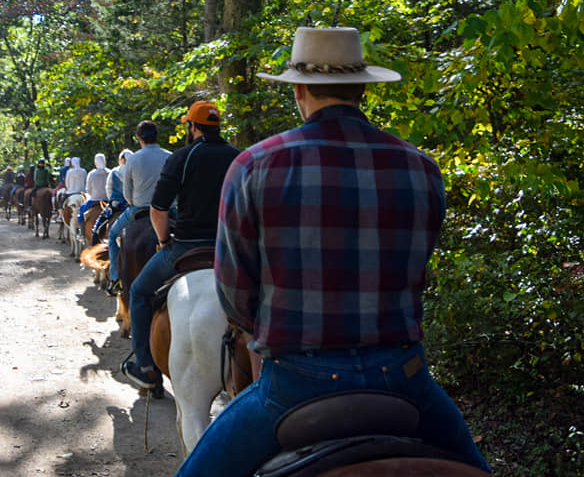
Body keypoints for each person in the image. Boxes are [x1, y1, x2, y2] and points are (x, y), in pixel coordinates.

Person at [176, 27, 491, 476]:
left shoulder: (254, 166)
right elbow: (417, 272)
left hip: (294, 384)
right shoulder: (422, 168)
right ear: (363, 88)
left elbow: (233, 293)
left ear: (299, 89)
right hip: (404, 379)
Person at [121, 101, 240, 389]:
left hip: (186, 246)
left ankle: (146, 367)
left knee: (138, 292)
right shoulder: (239, 157)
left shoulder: (183, 157)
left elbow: (158, 209)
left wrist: (163, 241)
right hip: (230, 251)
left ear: (192, 126)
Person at [106, 121, 171, 295]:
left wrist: (136, 201)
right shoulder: (170, 156)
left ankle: (115, 279)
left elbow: (127, 193)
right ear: (157, 136)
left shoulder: (133, 159)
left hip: (138, 209)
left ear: (139, 139)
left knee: (112, 235)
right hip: (168, 210)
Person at [78, 153, 109, 227]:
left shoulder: (91, 174)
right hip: (108, 200)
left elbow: (88, 189)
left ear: (95, 163)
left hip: (94, 199)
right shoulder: (110, 172)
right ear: (105, 162)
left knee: (81, 213)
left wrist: (93, 194)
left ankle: (81, 233)